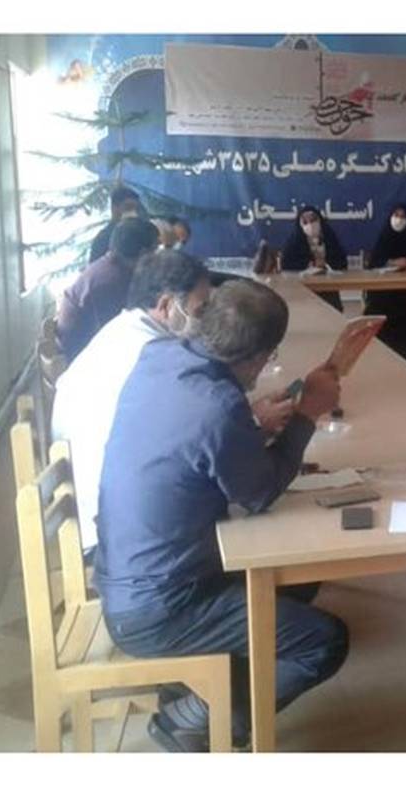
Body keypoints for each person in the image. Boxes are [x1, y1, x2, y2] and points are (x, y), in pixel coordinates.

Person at [95, 279, 349, 752]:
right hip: (160, 605)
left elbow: (197, 440)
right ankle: (199, 718)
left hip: (127, 576)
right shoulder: (218, 406)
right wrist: (307, 415)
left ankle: (208, 680)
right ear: (258, 357)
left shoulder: (159, 356)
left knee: (298, 577)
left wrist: (249, 422)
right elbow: (259, 493)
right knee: (325, 640)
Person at [52, 250, 298, 557]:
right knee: (273, 537)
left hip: (118, 518)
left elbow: (179, 432)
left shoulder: (128, 335)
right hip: (116, 535)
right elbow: (252, 486)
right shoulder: (148, 352)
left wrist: (248, 419)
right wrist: (258, 422)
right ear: (167, 305)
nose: (207, 322)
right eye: (201, 310)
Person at [57, 216, 160, 362]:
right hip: (84, 358)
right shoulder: (110, 281)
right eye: (155, 249)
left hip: (81, 347)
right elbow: (115, 336)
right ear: (144, 253)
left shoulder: (110, 267)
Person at [364, 203, 406, 366]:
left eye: (403, 216)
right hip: (385, 291)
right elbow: (374, 263)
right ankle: (383, 350)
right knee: (381, 304)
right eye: (396, 215)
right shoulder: (384, 237)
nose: (399, 219)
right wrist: (392, 262)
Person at [280, 205, 348, 310]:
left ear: (320, 221)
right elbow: (286, 265)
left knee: (331, 310)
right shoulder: (294, 241)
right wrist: (309, 265)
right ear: (300, 225)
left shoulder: (330, 237)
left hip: (328, 286)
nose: (310, 225)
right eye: (305, 222)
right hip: (302, 289)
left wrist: (326, 264)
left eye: (313, 220)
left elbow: (342, 262)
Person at [89, 185, 143, 263]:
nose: (134, 212)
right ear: (114, 208)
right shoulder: (103, 238)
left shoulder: (139, 235)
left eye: (136, 208)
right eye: (128, 207)